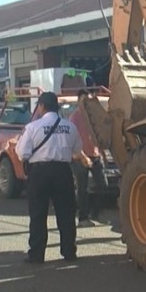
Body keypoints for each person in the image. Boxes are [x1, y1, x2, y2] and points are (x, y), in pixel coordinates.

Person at [15, 92, 83, 263]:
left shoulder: (32, 127)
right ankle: (69, 252)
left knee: (38, 214)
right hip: (62, 172)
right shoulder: (70, 127)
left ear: (42, 106)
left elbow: (22, 153)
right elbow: (77, 150)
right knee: (66, 214)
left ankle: (37, 254)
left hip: (40, 172)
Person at [69, 89, 108, 227]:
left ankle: (95, 213)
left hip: (95, 155)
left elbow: (99, 136)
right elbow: (73, 140)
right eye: (84, 99)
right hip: (80, 156)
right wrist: (83, 156)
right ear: (78, 101)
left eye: (88, 99)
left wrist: (103, 155)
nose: (86, 102)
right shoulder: (75, 117)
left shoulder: (93, 116)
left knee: (103, 185)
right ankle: (83, 218)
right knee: (82, 188)